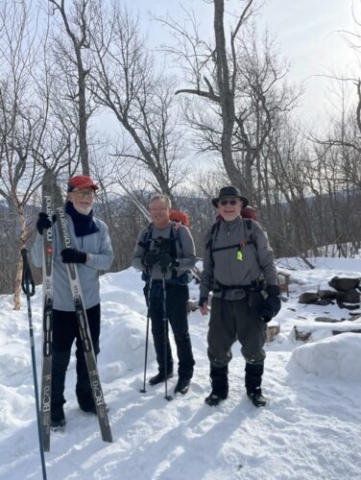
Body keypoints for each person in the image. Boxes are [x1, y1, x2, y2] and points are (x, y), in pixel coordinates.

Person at [31, 174, 114, 427]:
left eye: (89, 194)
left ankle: (87, 398)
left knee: (89, 352)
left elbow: (107, 259)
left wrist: (83, 257)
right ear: (69, 195)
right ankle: (54, 407)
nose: (86, 198)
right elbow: (37, 260)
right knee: (58, 356)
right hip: (61, 305)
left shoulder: (99, 227)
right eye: (80, 193)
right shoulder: (56, 225)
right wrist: (41, 233)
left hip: (90, 303)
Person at [198, 186, 281, 407]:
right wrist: (203, 295)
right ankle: (219, 390)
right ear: (218, 206)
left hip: (250, 297)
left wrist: (273, 293)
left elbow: (267, 262)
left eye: (232, 202)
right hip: (222, 299)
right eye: (223, 202)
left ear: (240, 205)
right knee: (216, 345)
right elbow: (207, 269)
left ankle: (254, 390)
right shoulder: (212, 233)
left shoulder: (252, 229)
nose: (228, 206)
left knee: (253, 346)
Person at [132, 194, 196, 395]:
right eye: (154, 210)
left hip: (175, 287)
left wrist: (175, 263)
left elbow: (192, 260)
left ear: (169, 210)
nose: (157, 213)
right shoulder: (146, 233)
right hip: (153, 287)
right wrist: (145, 262)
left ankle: (185, 373)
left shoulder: (180, 231)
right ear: (149, 211)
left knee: (180, 332)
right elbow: (135, 260)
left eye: (161, 209)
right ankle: (165, 369)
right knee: (158, 331)